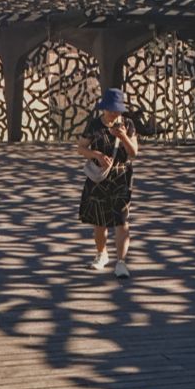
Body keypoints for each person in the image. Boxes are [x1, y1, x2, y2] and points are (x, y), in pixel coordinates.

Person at [77, 88, 138, 276]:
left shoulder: (127, 124)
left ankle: (121, 262)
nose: (115, 113)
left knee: (121, 220)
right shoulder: (94, 125)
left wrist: (123, 137)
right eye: (112, 109)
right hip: (99, 179)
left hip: (120, 178)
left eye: (117, 109)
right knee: (99, 220)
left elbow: (133, 153)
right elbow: (81, 148)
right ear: (104, 108)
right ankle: (101, 254)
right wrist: (96, 154)